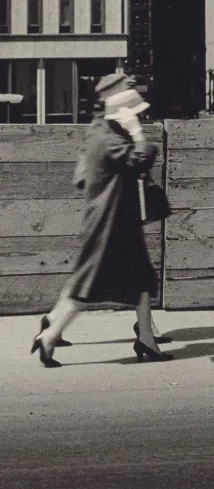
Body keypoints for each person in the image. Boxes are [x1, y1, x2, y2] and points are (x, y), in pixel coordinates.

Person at [31, 74, 172, 367]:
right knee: (90, 285)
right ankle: (50, 335)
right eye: (135, 113)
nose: (139, 116)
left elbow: (83, 178)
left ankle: (146, 338)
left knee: (142, 278)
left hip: (117, 219)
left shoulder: (97, 131)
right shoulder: (111, 141)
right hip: (112, 223)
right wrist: (138, 133)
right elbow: (143, 157)